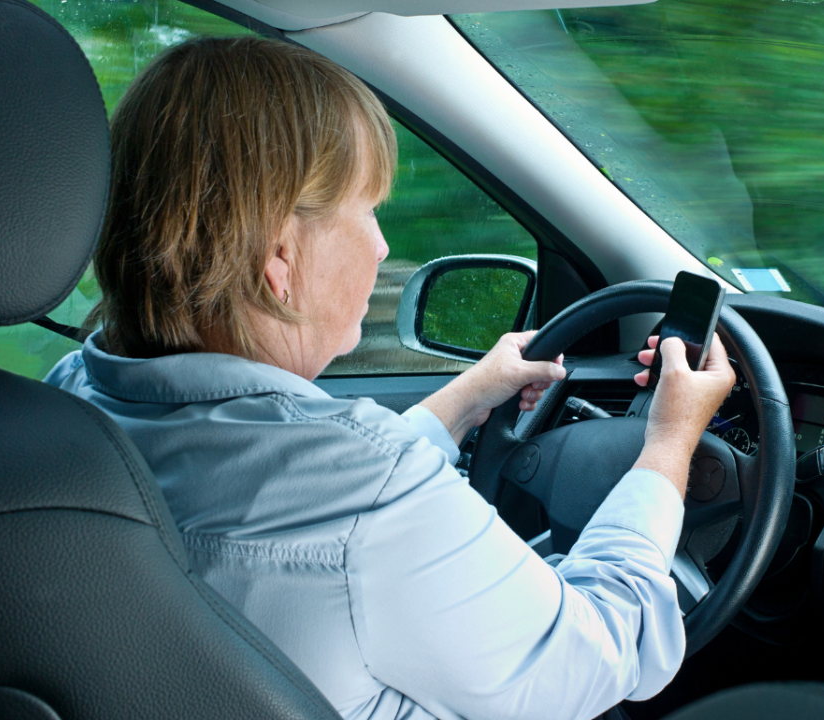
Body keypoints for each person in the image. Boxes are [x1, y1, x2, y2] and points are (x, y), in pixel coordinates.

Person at [45, 36, 735, 720]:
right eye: (367, 211)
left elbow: (313, 498)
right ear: (280, 258)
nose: (381, 246)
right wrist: (670, 443)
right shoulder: (368, 492)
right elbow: (605, 652)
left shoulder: (66, 401)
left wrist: (469, 394)